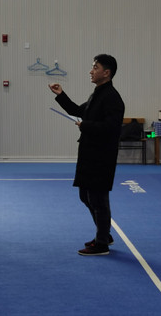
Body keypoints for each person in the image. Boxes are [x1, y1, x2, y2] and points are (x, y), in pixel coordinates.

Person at [49, 54, 125, 256]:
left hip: (102, 156)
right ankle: (104, 234)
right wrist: (61, 94)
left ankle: (102, 244)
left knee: (98, 199)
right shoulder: (97, 94)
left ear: (106, 73)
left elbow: (111, 128)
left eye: (95, 67)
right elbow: (77, 110)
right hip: (89, 154)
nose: (91, 71)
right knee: (85, 196)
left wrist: (86, 126)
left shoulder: (112, 98)